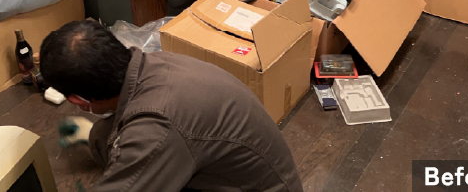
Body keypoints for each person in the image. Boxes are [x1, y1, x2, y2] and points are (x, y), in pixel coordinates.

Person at [40, 20, 304, 192]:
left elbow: (157, 135)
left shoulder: (157, 126)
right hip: (239, 171)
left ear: (78, 101)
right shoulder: (156, 63)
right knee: (102, 134)